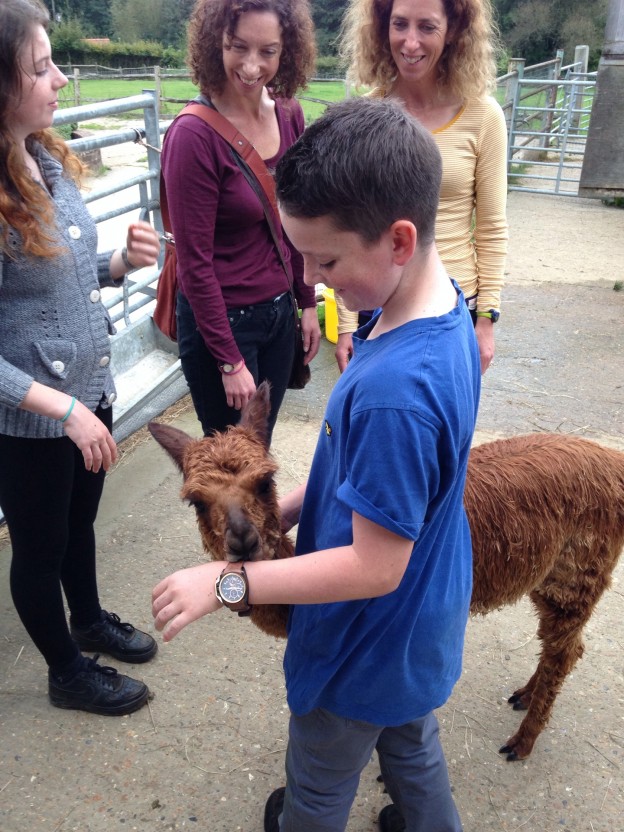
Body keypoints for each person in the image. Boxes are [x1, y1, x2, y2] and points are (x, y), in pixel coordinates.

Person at [152, 96, 481, 832]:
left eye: (325, 260)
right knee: (412, 746)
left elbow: (372, 566)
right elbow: (385, 487)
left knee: (320, 780)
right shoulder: (437, 307)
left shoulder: (397, 392)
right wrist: (288, 508)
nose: (312, 277)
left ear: (398, 240)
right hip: (416, 627)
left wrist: (228, 579)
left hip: (360, 643)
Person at [0, 0, 161, 716]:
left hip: (87, 392)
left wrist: (118, 264)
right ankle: (66, 671)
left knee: (77, 525)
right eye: (41, 67)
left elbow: (58, 275)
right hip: (33, 418)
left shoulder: (41, 157)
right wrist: (61, 409)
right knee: (37, 550)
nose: (61, 78)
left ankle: (88, 619)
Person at [161, 0, 321, 442]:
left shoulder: (289, 113)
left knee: (260, 452)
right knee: (230, 472)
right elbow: (195, 264)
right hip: (222, 326)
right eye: (238, 47)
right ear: (216, 43)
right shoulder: (193, 136)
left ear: (286, 50)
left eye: (267, 51)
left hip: (277, 318)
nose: (252, 66)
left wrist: (306, 301)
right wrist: (229, 360)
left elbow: (295, 216)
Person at [335, 0, 508, 375]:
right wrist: (346, 323)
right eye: (400, 24)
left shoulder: (483, 116)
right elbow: (346, 227)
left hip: (451, 304)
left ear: (454, 32)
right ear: (383, 26)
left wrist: (486, 320)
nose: (410, 43)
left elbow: (492, 228)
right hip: (376, 303)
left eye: (427, 27)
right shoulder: (365, 115)